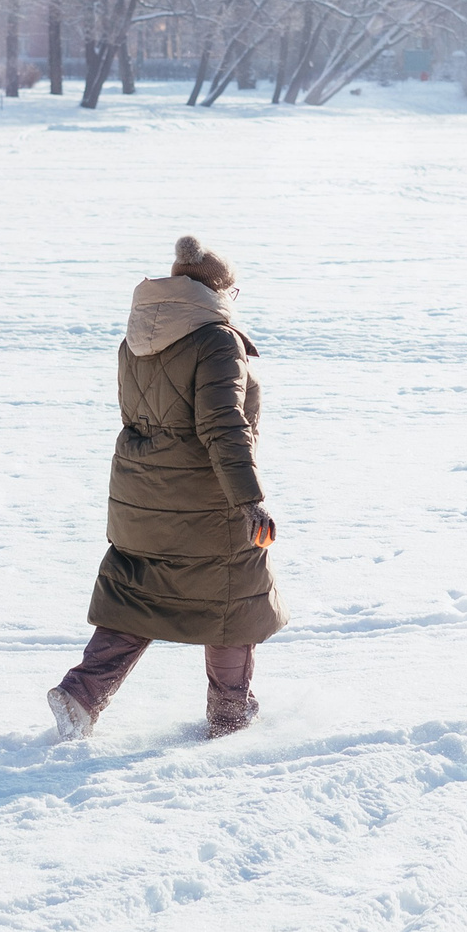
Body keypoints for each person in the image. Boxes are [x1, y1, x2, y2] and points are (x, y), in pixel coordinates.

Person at [49, 235, 284, 741]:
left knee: (139, 594)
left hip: (139, 494)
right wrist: (249, 499)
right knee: (233, 599)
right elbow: (223, 426)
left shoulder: (136, 337)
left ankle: (81, 695)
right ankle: (230, 716)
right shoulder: (216, 341)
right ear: (215, 290)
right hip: (205, 498)